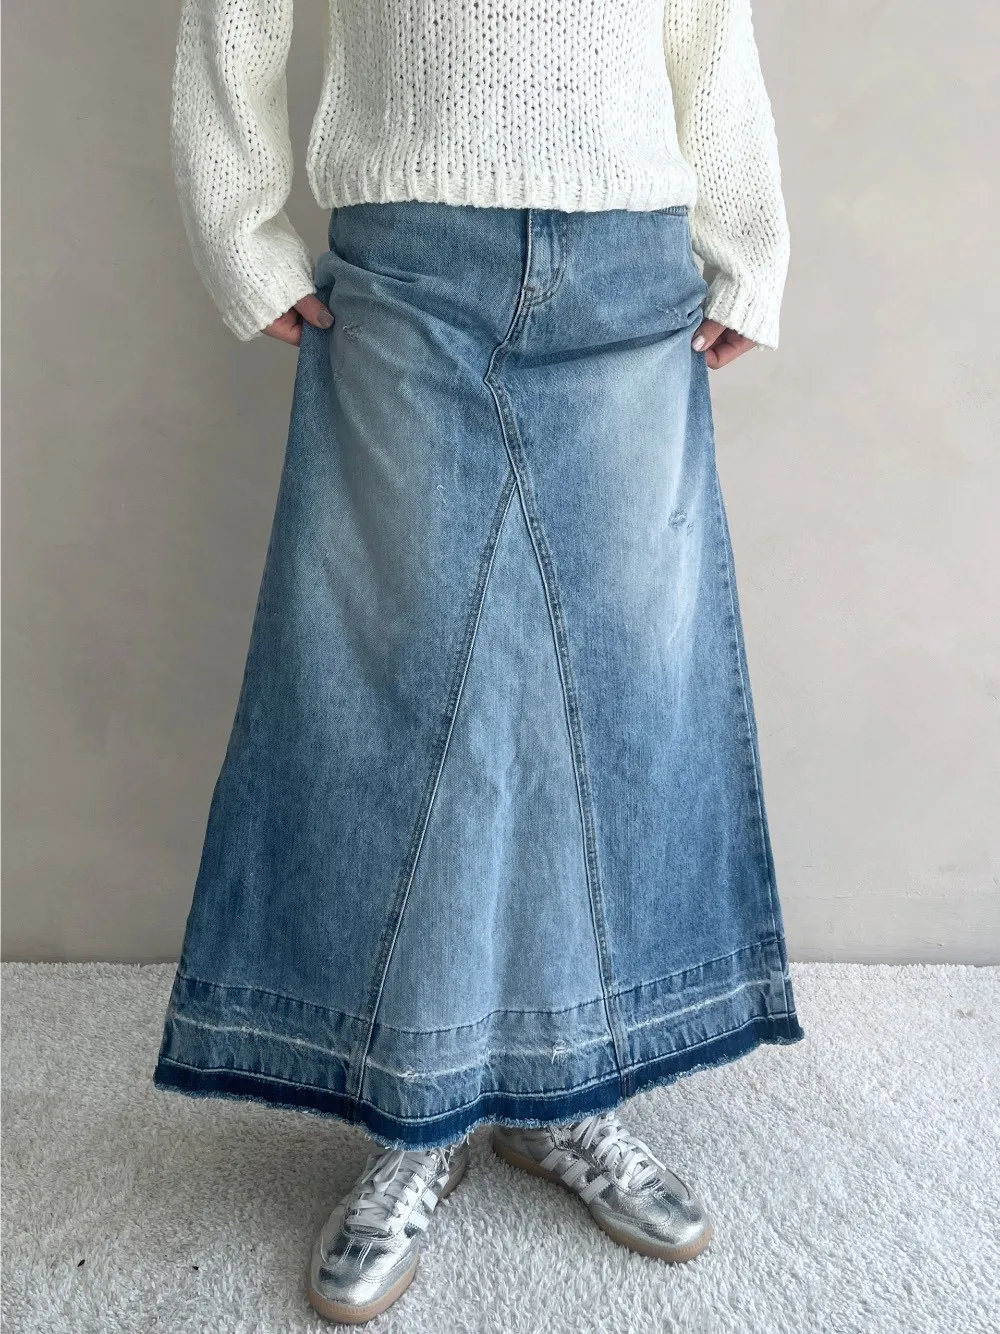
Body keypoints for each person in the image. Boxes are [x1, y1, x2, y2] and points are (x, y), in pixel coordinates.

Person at [154, 0, 805, 1324]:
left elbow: (709, 22)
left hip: (630, 259)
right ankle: (419, 1108)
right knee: (401, 694)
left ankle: (572, 1090)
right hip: (410, 259)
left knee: (615, 694)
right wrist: (239, 234)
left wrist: (749, 241)